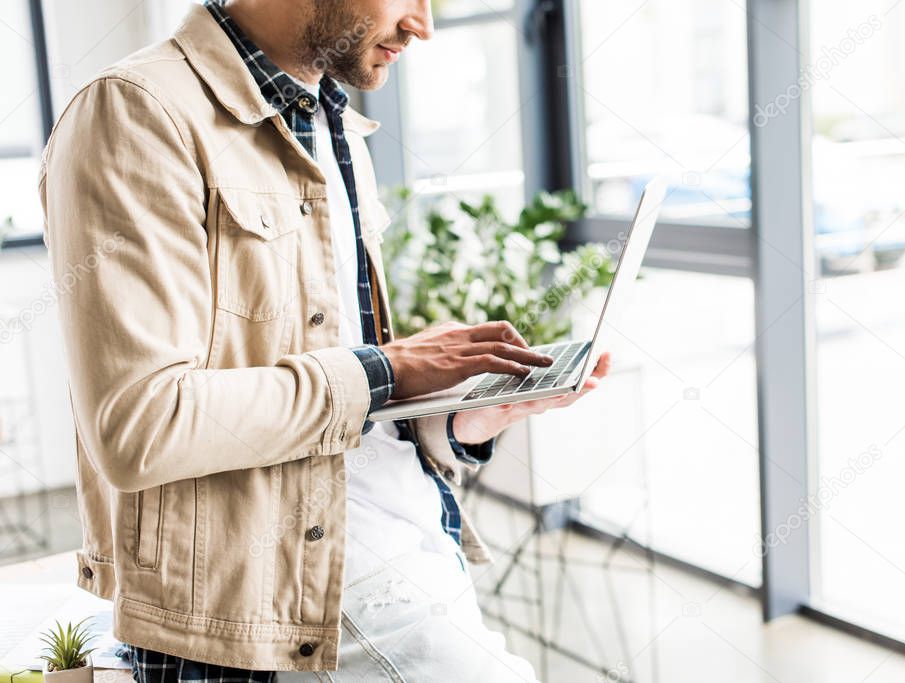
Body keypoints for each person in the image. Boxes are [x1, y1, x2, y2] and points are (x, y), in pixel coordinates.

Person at [39, 1, 611, 681]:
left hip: (417, 560)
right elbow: (141, 425)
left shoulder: (330, 117)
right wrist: (386, 370)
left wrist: (454, 419)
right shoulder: (136, 114)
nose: (422, 24)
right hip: (286, 612)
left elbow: (343, 420)